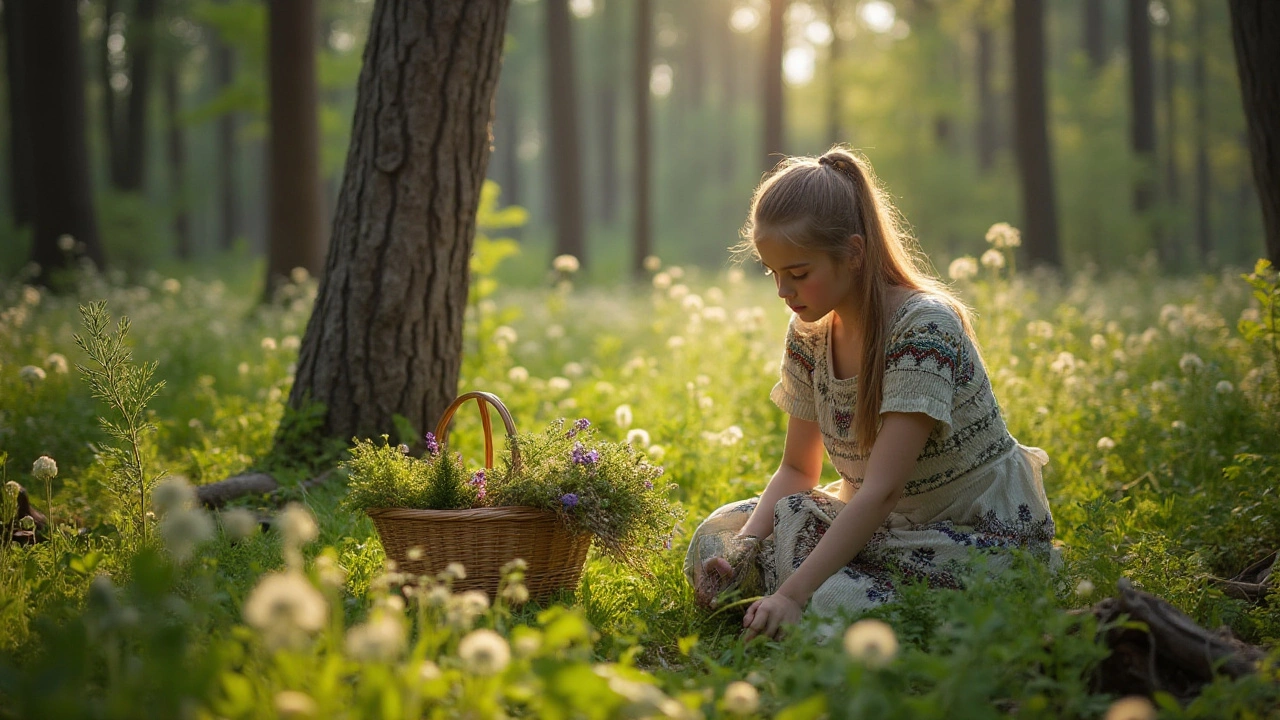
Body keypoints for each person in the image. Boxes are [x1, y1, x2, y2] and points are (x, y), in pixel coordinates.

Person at [685, 148, 1056, 642]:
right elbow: (798, 470)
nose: (782, 291)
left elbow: (881, 490)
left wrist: (792, 592)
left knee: (831, 595)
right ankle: (800, 598)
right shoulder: (809, 334)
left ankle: (809, 603)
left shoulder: (924, 329)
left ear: (854, 254)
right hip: (879, 529)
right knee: (718, 536)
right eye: (772, 273)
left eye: (798, 273)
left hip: (968, 533)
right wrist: (743, 551)